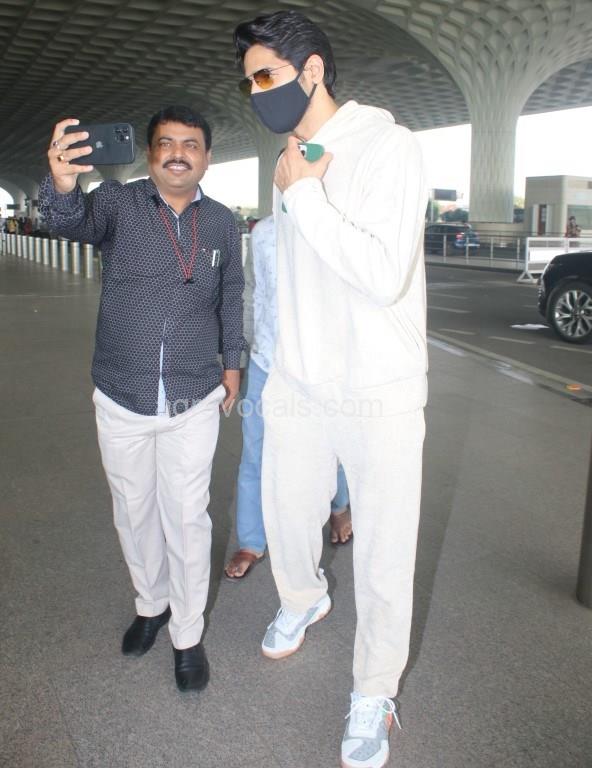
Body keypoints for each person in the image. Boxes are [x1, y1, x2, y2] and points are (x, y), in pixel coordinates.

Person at [234, 11, 428, 768]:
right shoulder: (289, 158)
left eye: (266, 75)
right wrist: (277, 364)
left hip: (380, 385)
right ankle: (302, 597)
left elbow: (382, 274)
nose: (256, 92)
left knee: (384, 553)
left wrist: (308, 196)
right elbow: (294, 275)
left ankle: (374, 690)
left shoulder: (389, 146)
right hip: (300, 379)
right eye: (249, 81)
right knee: (285, 512)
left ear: (311, 70)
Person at [38, 105, 244, 693]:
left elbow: (231, 292)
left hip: (194, 393)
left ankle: (187, 633)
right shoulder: (117, 203)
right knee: (133, 510)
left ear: (206, 156)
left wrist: (233, 364)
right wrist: (61, 182)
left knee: (187, 516)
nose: (178, 153)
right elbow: (67, 221)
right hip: (122, 392)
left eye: (191, 144)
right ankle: (151, 605)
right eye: (166, 143)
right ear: (150, 154)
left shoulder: (222, 222)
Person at [224, 215, 351, 581]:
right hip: (267, 361)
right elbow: (251, 295)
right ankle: (251, 541)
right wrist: (242, 359)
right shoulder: (263, 232)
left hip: (322, 367)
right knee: (255, 453)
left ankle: (340, 507)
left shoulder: (335, 226)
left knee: (331, 446)